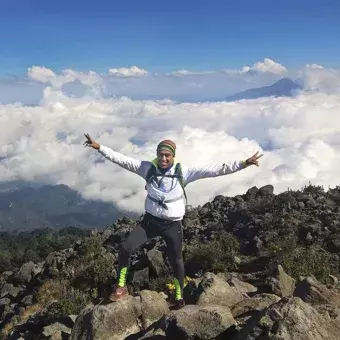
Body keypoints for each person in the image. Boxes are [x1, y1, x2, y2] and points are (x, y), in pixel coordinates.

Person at [83, 133, 262, 309]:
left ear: (173, 156)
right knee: (126, 248)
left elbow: (216, 169)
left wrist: (243, 163)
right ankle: (121, 286)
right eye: (160, 154)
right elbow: (121, 159)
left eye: (167, 155)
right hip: (150, 222)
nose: (163, 158)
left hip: (172, 224)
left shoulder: (183, 172)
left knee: (176, 260)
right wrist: (100, 148)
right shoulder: (147, 168)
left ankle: (178, 296)